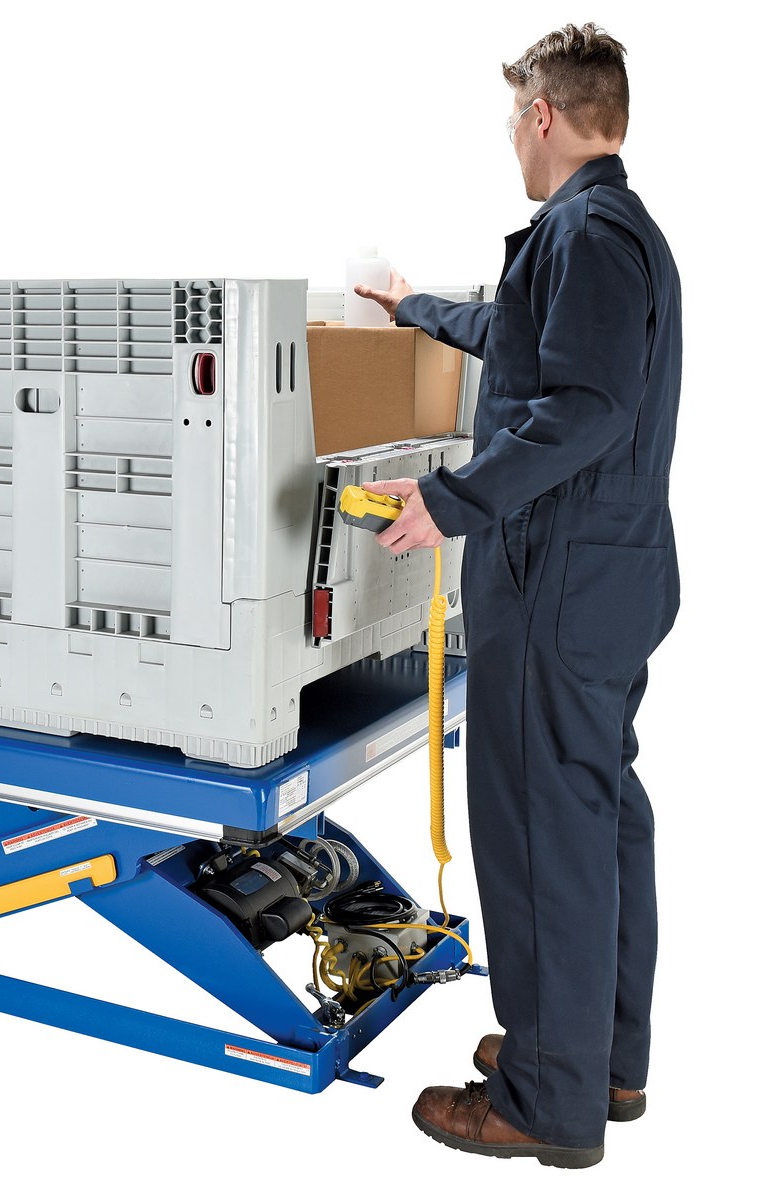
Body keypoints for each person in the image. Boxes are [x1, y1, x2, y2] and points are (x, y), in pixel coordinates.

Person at [354, 23, 680, 1170]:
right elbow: (525, 342)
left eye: (511, 117)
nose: (508, 136)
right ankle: (597, 1059)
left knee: (542, 832)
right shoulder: (612, 234)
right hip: (606, 575)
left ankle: (545, 1100)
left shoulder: (586, 233)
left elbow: (580, 406)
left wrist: (451, 501)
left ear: (542, 114)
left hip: (556, 579)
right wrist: (416, 309)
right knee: (594, 820)